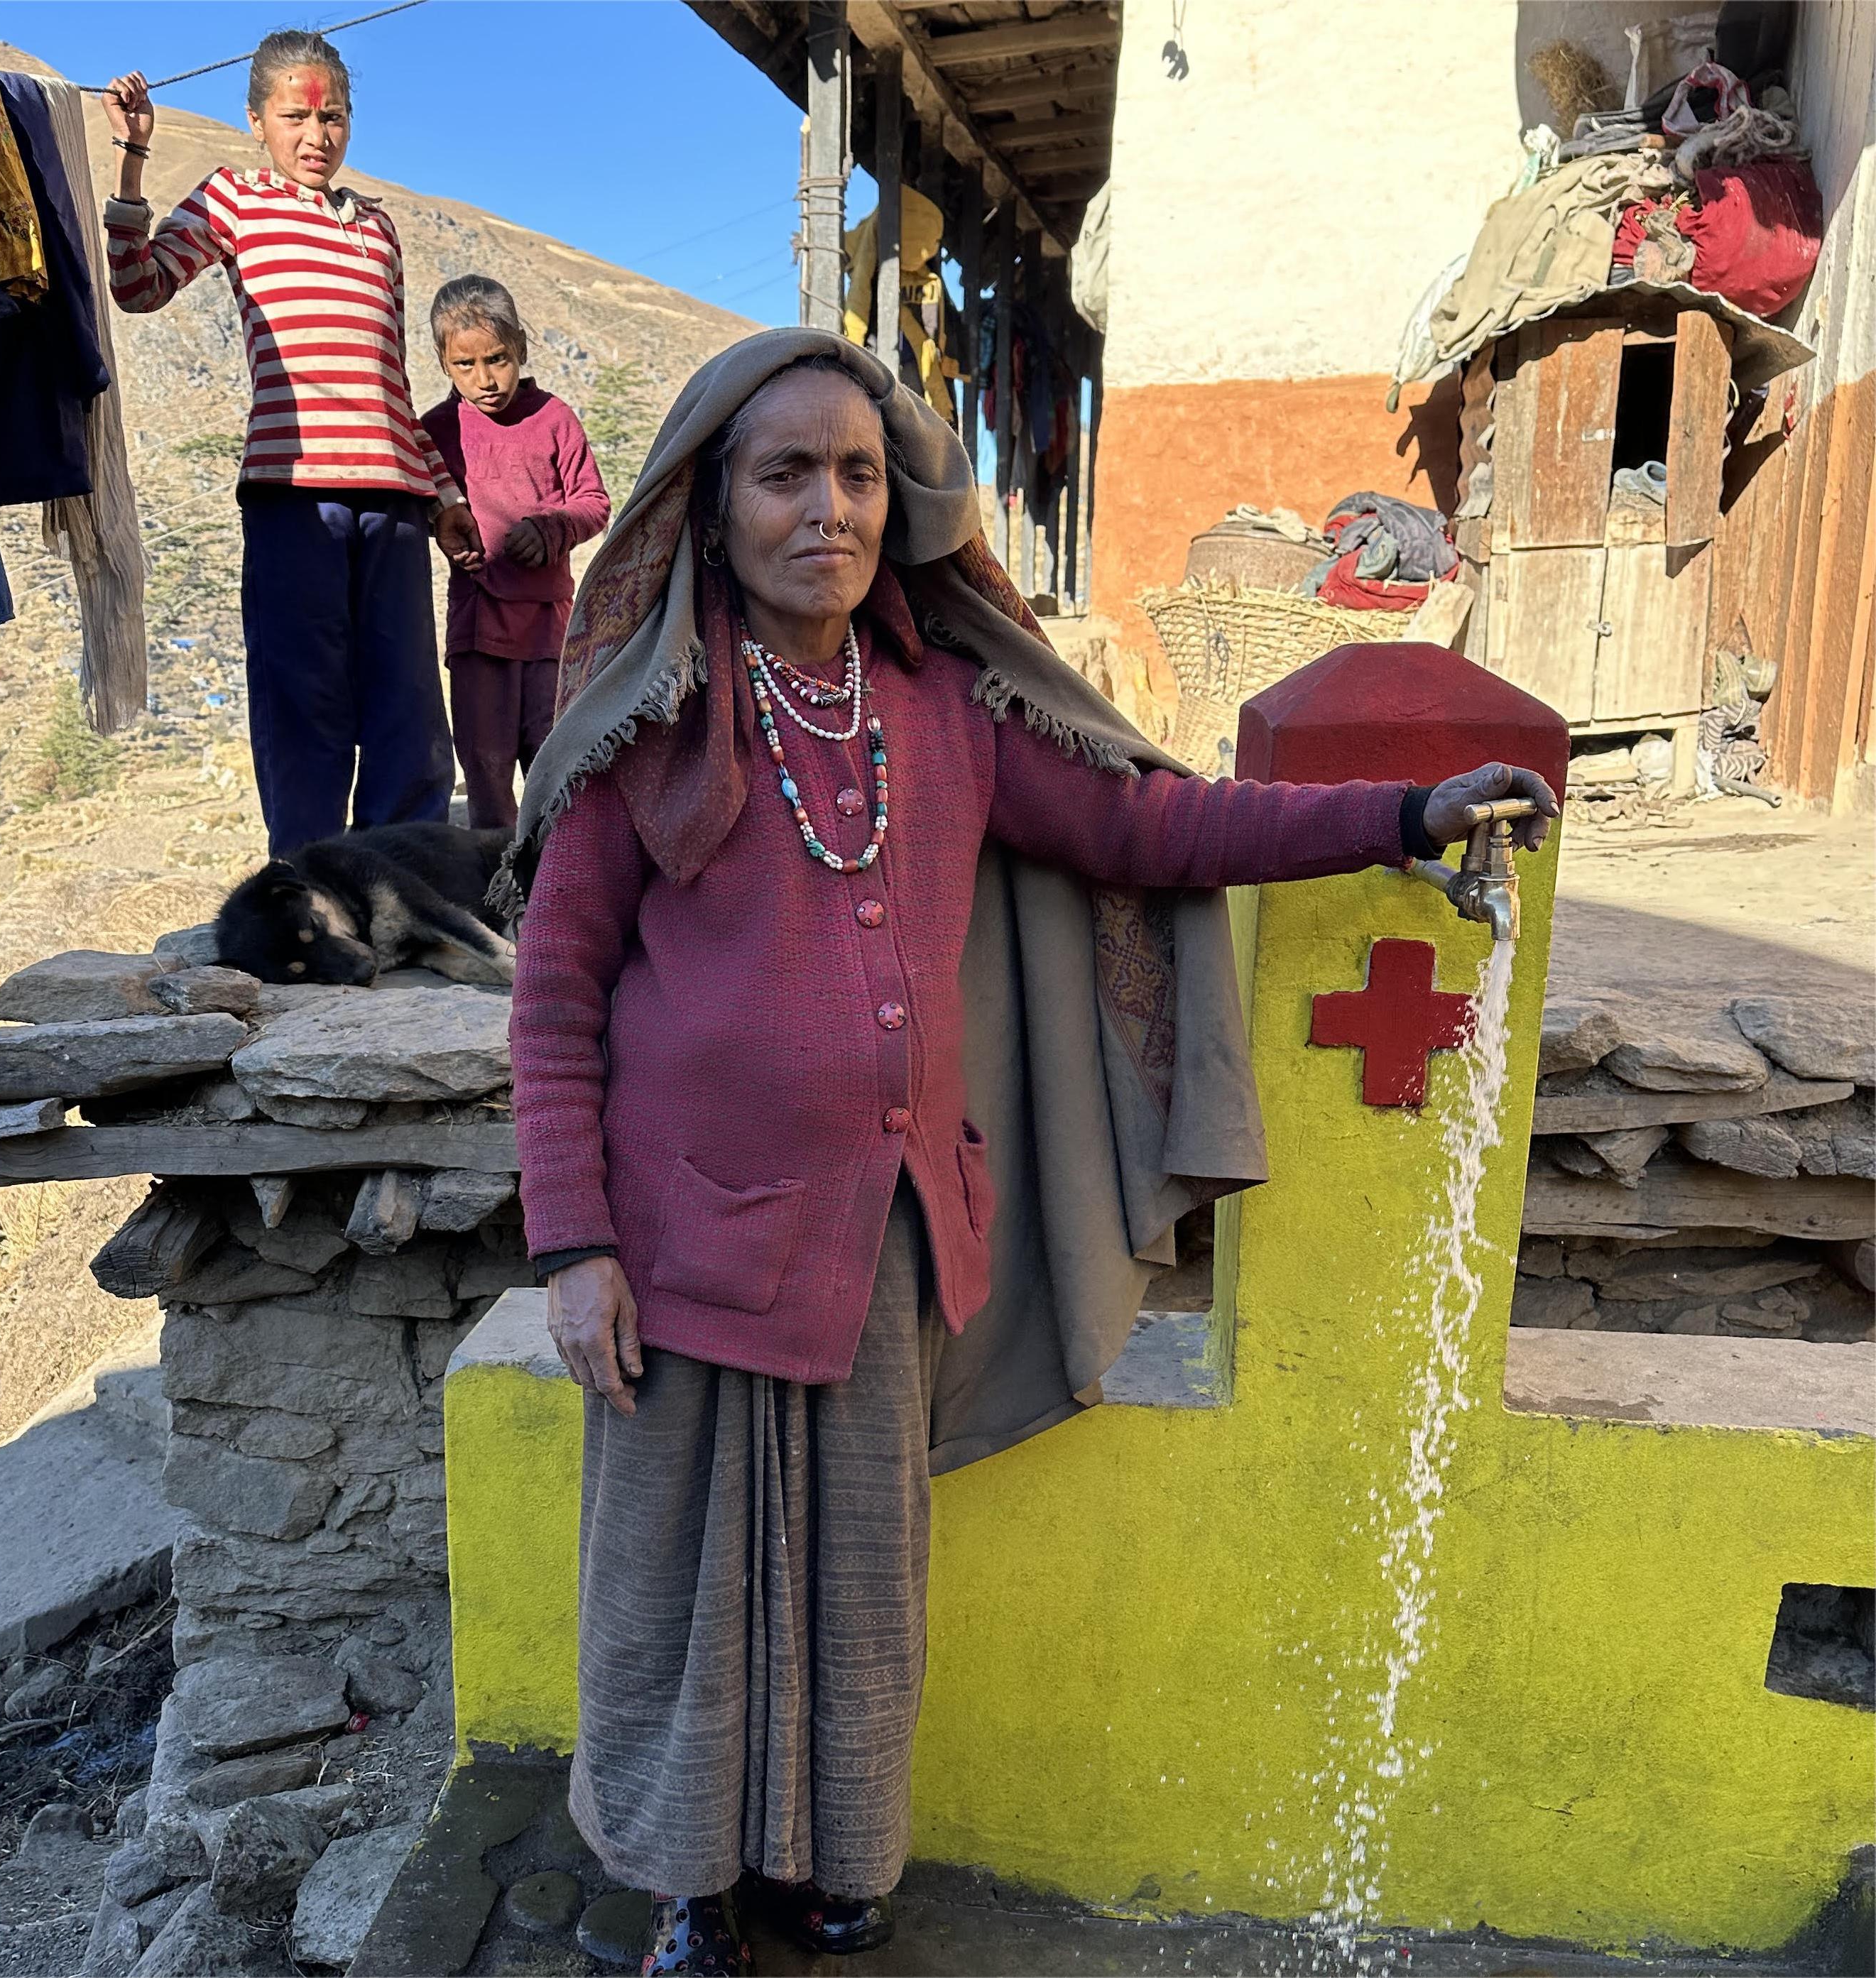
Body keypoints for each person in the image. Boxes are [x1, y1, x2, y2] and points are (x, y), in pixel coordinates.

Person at [504, 329, 1556, 1977]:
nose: (828, 509)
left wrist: (1397, 814)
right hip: (687, 1244)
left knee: (858, 1583)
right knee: (681, 1589)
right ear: (711, 508)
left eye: (858, 474)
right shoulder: (648, 729)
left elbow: (1156, 821)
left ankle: (821, 1857)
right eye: (784, 474)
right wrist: (575, 1247)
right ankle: (686, 1889)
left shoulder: (945, 713)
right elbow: (555, 996)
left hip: (881, 1242)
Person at [98, 33, 484, 858]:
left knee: (408, 703)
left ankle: (405, 880)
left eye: (332, 116)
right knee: (303, 698)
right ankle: (310, 881)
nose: (317, 135)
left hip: (395, 498)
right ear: (256, 121)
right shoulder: (234, 199)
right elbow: (137, 285)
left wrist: (445, 495)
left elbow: (392, 383)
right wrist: (134, 157)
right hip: (292, 493)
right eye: (296, 117)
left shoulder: (378, 230)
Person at [421, 275, 610, 830]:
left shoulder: (554, 418)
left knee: (556, 763)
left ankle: (559, 873)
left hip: (549, 628)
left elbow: (594, 502)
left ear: (521, 348)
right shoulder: (435, 431)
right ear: (443, 362)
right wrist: (442, 529)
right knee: (484, 765)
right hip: (478, 626)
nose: (484, 380)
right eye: (465, 365)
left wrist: (552, 529)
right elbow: (423, 504)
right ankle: (498, 877)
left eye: (497, 359)